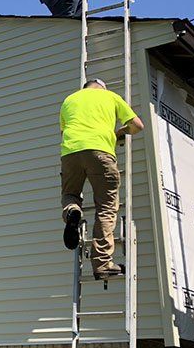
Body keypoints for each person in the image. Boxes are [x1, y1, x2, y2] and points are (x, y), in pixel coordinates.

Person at [59, 78, 144, 280]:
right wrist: (119, 133)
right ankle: (103, 264)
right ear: (102, 88)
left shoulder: (69, 100)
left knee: (70, 194)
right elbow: (137, 126)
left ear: (85, 88)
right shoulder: (111, 97)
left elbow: (63, 131)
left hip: (70, 153)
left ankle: (72, 211)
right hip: (101, 152)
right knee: (106, 208)